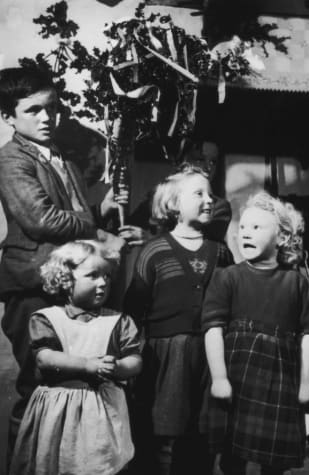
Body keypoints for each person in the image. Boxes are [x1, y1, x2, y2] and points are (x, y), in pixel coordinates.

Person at [0, 66, 141, 462]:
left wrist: (101, 207)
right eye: (33, 111)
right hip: (31, 285)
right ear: (8, 116)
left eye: (51, 108)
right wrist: (96, 228)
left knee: (69, 388)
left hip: (62, 282)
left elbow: (68, 214)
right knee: (38, 386)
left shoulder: (59, 155)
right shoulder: (11, 160)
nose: (47, 118)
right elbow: (43, 220)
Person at [124, 164, 234, 475]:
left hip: (210, 355)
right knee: (162, 433)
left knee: (202, 435)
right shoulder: (154, 251)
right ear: (173, 204)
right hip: (165, 356)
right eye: (199, 193)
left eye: (210, 194)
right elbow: (133, 308)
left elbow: (231, 303)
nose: (209, 200)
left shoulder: (221, 253)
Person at [202, 191, 309, 475]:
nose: (246, 233)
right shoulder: (228, 277)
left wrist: (305, 383)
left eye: (257, 227)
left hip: (280, 381)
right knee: (232, 459)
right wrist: (219, 378)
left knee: (274, 462)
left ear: (281, 238)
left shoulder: (297, 283)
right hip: (236, 377)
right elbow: (212, 329)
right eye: (243, 227)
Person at [9, 240, 142, 475]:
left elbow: (135, 359)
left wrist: (119, 366)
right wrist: (87, 365)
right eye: (93, 275)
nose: (103, 283)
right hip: (60, 410)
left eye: (107, 276)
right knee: (59, 461)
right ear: (66, 280)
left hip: (102, 410)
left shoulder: (117, 321)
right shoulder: (47, 319)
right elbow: (45, 357)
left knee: (101, 463)